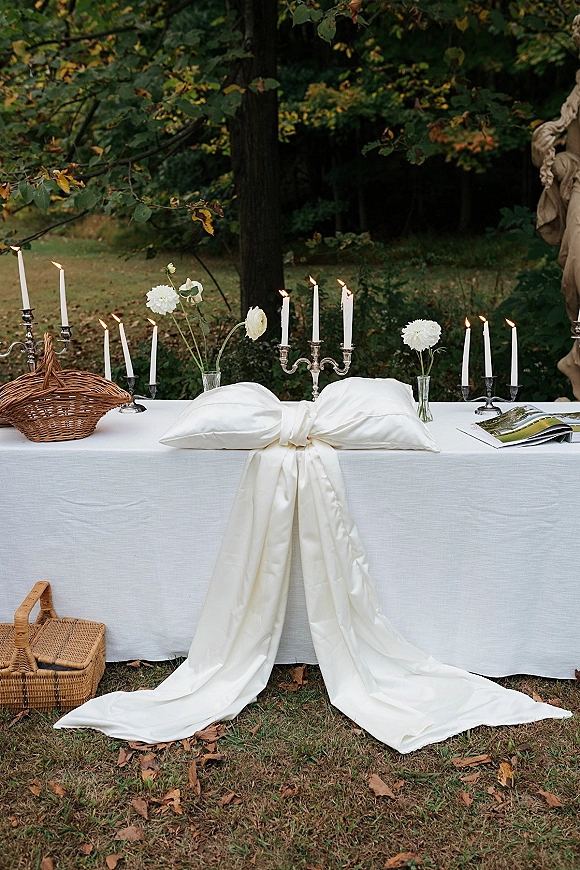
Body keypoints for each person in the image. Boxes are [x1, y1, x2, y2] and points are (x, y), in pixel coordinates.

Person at [533, 51, 580, 398]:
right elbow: (568, 156)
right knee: (576, 268)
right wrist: (550, 154)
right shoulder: (576, 98)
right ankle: (578, 355)